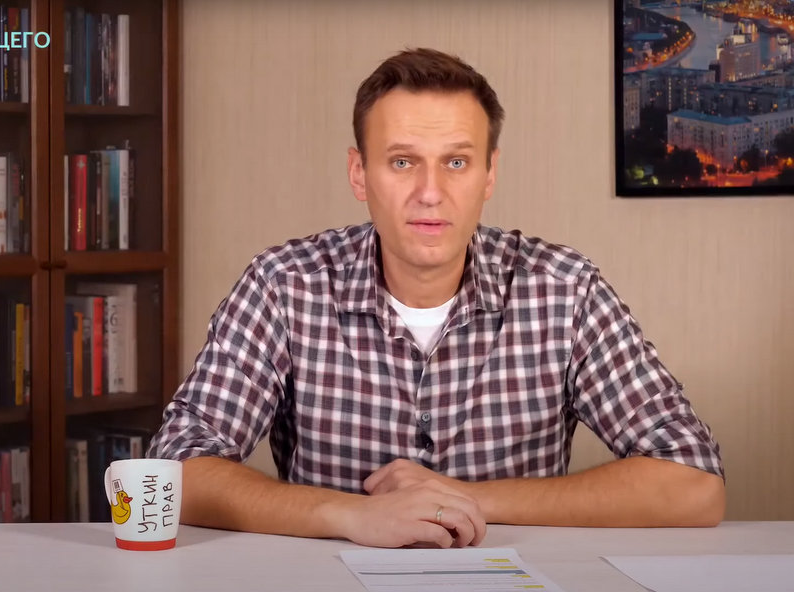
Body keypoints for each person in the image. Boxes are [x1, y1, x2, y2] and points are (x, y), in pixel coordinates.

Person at [147, 47, 725, 549]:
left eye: (456, 162)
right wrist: (350, 515)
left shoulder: (565, 289)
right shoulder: (283, 285)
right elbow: (172, 472)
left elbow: (694, 484)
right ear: (359, 173)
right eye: (402, 162)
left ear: (489, 174)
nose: (430, 192)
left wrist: (463, 498)